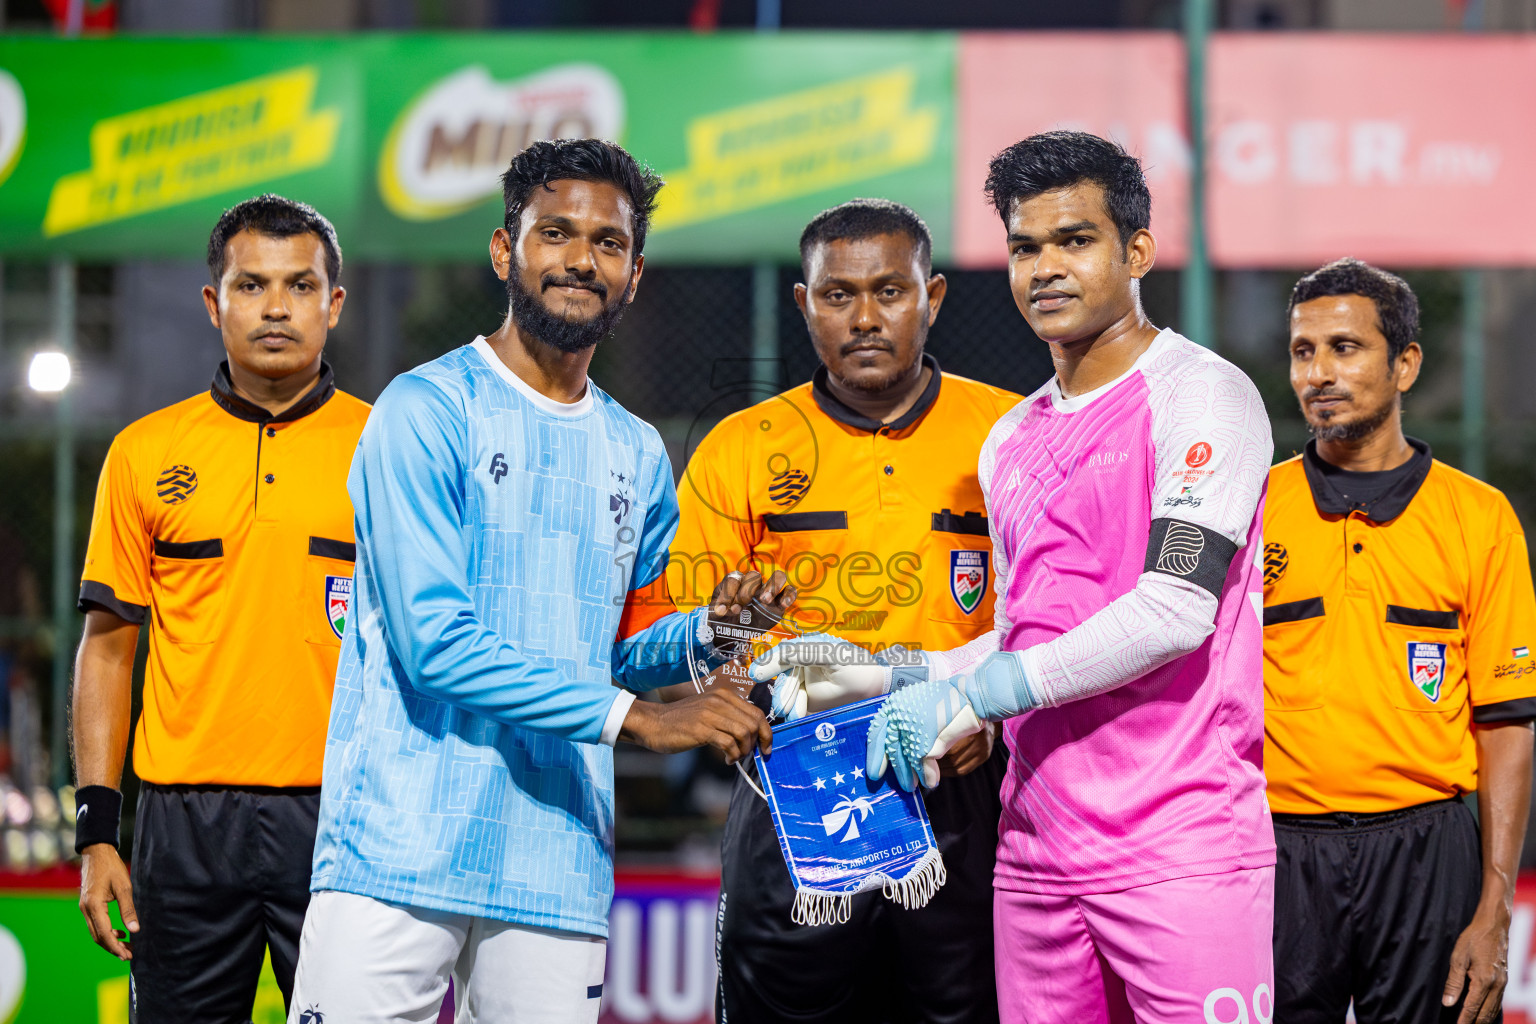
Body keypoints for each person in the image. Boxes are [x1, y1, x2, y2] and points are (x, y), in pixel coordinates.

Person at [756, 131, 1275, 1023]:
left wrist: (980, 696)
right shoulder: (1011, 439)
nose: (1045, 268)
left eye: (1075, 241)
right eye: (1026, 246)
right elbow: (1031, 631)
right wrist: (872, 678)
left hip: (1182, 849)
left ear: (1137, 251)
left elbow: (1173, 610)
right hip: (1034, 857)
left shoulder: (1203, 396)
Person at [287, 139, 784, 1024]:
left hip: (556, 858)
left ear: (633, 274)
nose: (581, 259)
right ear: (504, 249)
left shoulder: (635, 448)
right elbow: (435, 646)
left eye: (608, 243)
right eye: (555, 232)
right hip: (399, 845)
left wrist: (710, 630)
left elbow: (624, 650)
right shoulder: (427, 409)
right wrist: (638, 720)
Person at [668, 198, 1020, 1024]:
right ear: (804, 305)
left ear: (932, 297)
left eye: (891, 292)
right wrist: (729, 649)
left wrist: (996, 716)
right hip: (795, 795)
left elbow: (1057, 617)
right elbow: (673, 646)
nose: (865, 317)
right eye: (838, 295)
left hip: (968, 795)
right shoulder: (743, 446)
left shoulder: (1011, 434)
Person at [72, 194, 371, 1020]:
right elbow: (106, 649)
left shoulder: (391, 449)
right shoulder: (144, 453)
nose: (276, 307)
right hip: (183, 825)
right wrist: (98, 830)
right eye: (251, 285)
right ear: (215, 303)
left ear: (333, 304)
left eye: (300, 286)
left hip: (347, 817)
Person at [1263, 258, 1536, 1024]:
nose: (1318, 372)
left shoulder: (1479, 518)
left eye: (1344, 348)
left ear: (1405, 363)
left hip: (1428, 851)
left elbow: (1507, 723)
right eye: (1303, 350)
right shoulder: (1255, 509)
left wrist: (1495, 908)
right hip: (1278, 848)